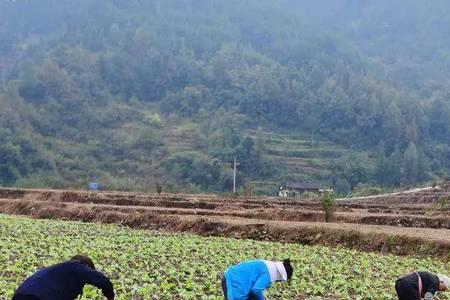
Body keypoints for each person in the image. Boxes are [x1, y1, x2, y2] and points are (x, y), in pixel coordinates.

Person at [12, 254, 115, 300]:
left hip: (19, 295)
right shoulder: (77, 266)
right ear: (86, 266)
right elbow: (103, 281)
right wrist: (110, 297)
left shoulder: (57, 270)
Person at [222, 259, 293, 300]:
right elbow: (256, 290)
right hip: (233, 282)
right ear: (280, 276)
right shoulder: (269, 273)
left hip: (232, 276)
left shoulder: (270, 265)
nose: (279, 282)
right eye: (281, 280)